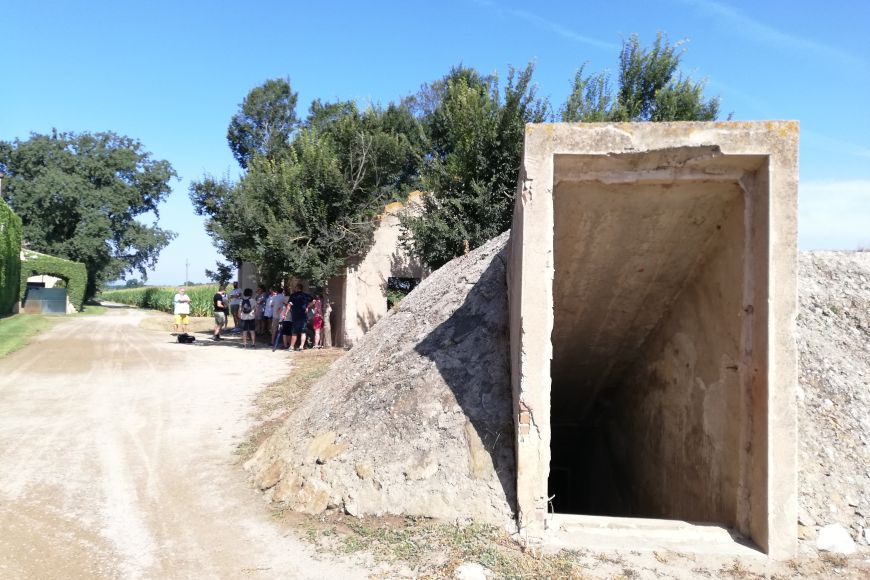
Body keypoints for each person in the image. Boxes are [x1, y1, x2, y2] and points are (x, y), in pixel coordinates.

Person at [288, 284, 312, 351]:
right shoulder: (306, 295)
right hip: (303, 316)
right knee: (303, 332)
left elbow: (289, 305)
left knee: (294, 332)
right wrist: (308, 307)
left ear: (297, 288)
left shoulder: (293, 296)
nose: (294, 288)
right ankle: (301, 346)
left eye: (295, 287)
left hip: (295, 316)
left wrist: (288, 311)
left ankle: (292, 346)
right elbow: (313, 301)